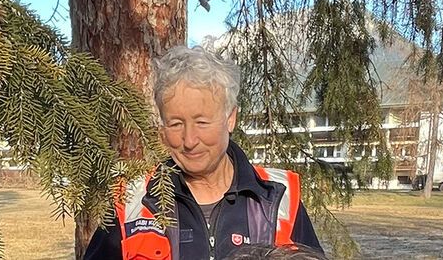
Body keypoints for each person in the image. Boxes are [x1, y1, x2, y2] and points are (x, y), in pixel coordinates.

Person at [83, 45, 322, 260]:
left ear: (230, 119)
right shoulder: (132, 200)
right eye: (176, 123)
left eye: (202, 122)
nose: (189, 140)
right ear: (162, 129)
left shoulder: (278, 196)